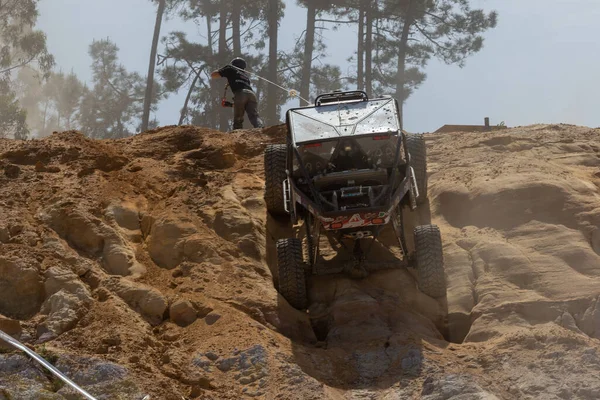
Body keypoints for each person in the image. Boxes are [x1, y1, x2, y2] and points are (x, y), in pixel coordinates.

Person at [211, 57, 264, 130]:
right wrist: (230, 104)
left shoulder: (230, 68)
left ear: (233, 64)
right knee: (254, 116)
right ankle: (261, 128)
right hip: (252, 95)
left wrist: (222, 69)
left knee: (238, 120)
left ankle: (236, 136)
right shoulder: (245, 76)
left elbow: (213, 75)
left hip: (240, 93)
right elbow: (243, 102)